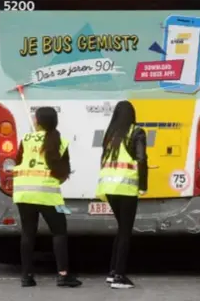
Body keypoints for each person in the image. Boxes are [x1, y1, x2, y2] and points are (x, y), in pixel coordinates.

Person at [13, 107, 82, 288]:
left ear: (37, 121)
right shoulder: (59, 141)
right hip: (47, 193)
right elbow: (63, 171)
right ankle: (63, 275)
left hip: (23, 191)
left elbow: (17, 161)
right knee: (59, 231)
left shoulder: (26, 139)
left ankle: (26, 276)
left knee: (28, 232)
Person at [96, 100, 148, 289]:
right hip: (126, 188)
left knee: (121, 229)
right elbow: (141, 159)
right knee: (125, 232)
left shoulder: (110, 135)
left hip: (109, 188)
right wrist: (143, 185)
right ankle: (119, 276)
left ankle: (112, 272)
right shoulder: (137, 132)